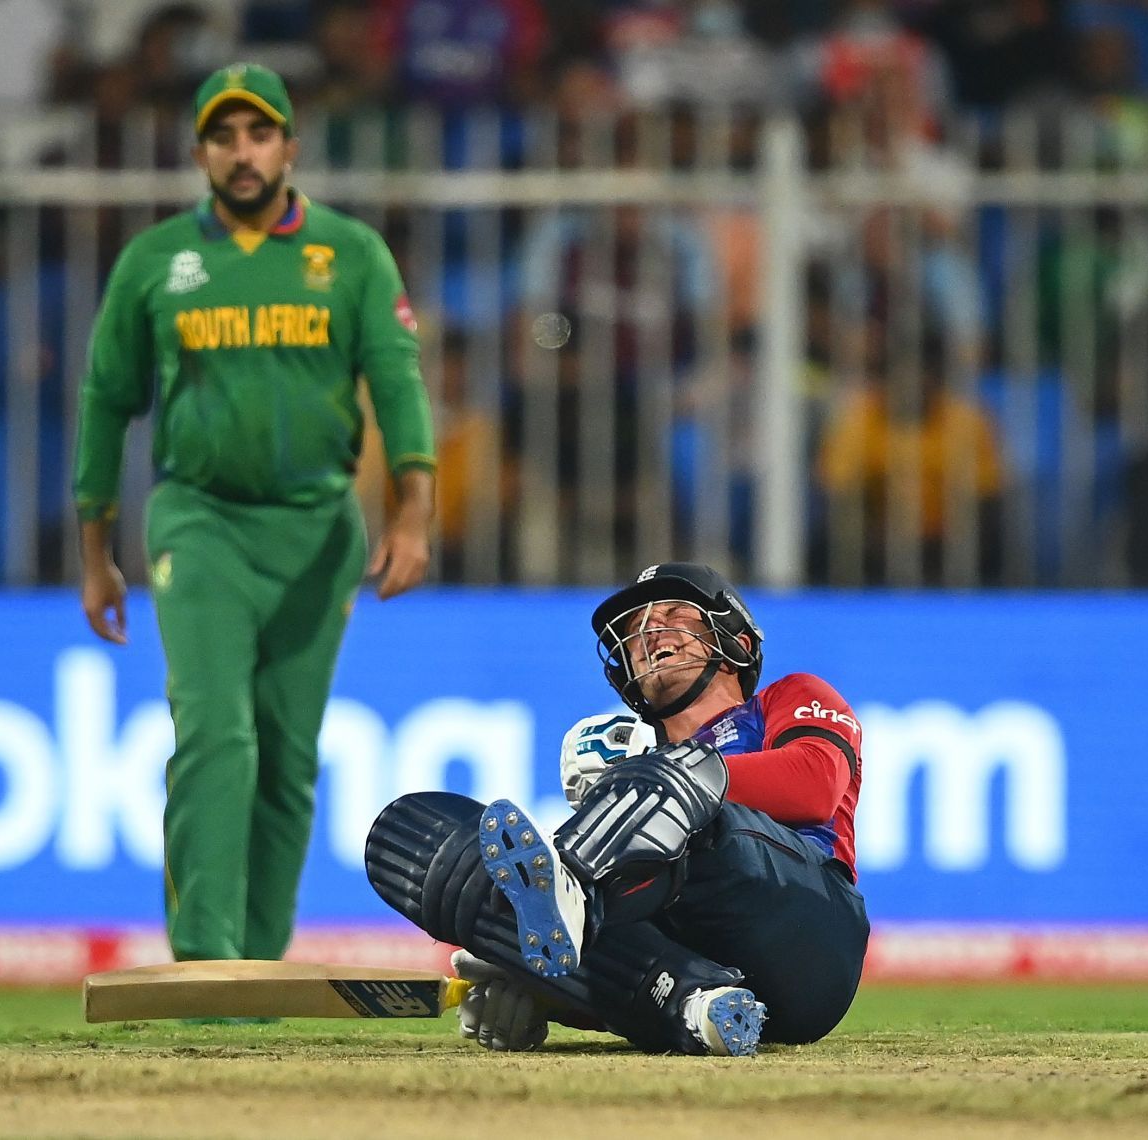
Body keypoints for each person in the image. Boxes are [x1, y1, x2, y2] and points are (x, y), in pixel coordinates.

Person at [73, 63, 436, 964]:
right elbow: (104, 400)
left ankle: (257, 968)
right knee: (216, 733)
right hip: (200, 522)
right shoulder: (156, 262)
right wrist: (94, 550)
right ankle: (204, 960)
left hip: (318, 528)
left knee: (286, 758)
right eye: (224, 137)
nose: (243, 154)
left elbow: (398, 386)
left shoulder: (349, 254)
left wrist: (413, 514)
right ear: (198, 151)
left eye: (259, 134)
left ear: (289, 146)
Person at [365, 562, 867, 1055]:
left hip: (811, 934)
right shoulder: (637, 770)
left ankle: (565, 903)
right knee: (415, 833)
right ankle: (692, 1004)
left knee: (661, 787)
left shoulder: (790, 696)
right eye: (633, 630)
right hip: (701, 971)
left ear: (735, 637)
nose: (650, 631)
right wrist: (552, 1002)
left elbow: (815, 784)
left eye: (674, 613)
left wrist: (666, 774)